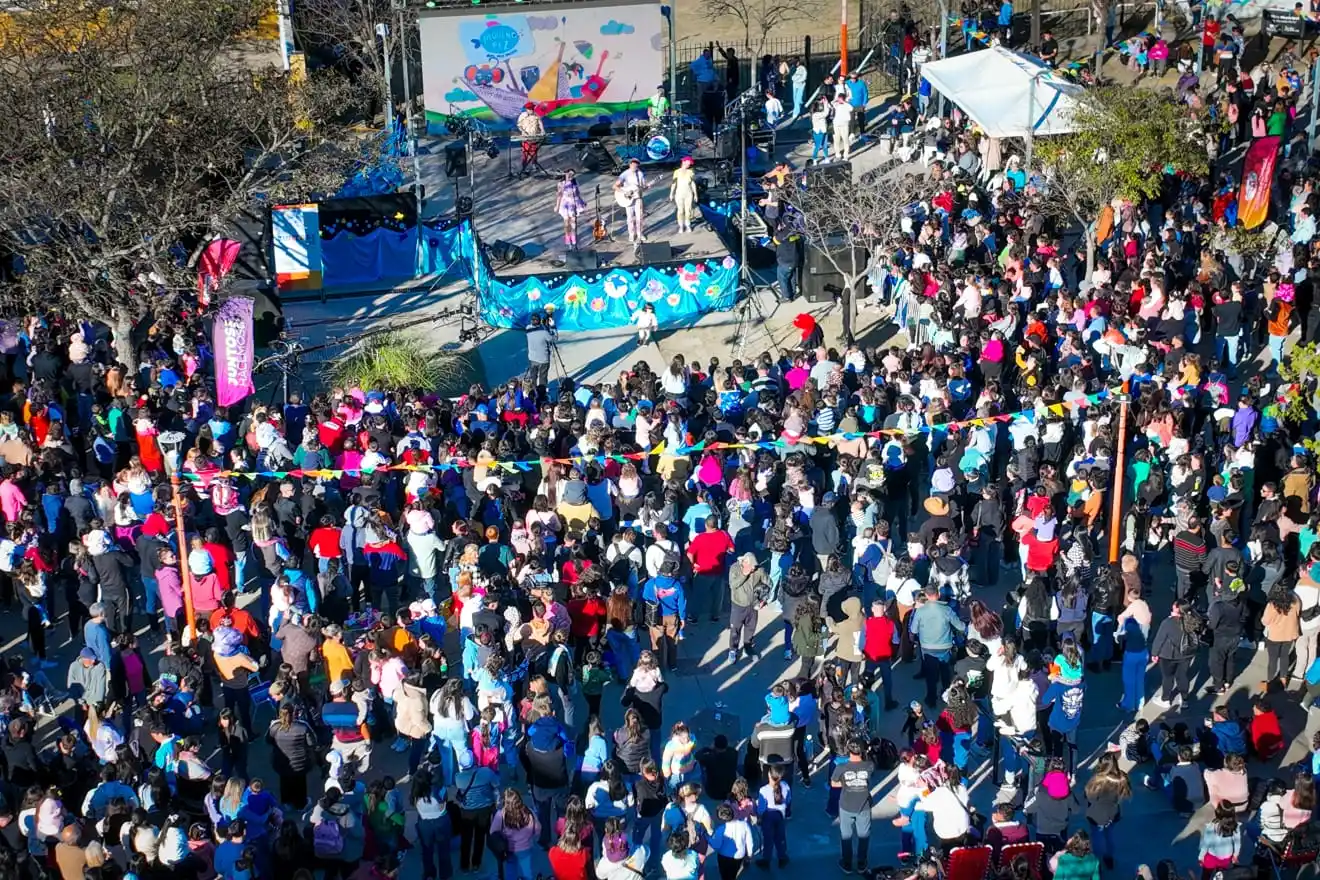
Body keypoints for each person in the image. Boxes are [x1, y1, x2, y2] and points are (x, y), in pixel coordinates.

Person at [831, 738, 874, 874]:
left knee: (846, 835)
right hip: (864, 805)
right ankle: (862, 864)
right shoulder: (869, 766)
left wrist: (847, 784)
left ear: (848, 750)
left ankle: (847, 863)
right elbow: (867, 780)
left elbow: (834, 783)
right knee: (863, 835)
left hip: (846, 805)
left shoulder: (841, 767)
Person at [615, 158, 648, 244]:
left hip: (638, 198)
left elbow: (643, 186)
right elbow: (615, 186)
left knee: (639, 217)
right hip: (628, 198)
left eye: (636, 164)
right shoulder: (624, 174)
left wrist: (646, 187)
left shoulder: (640, 174)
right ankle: (631, 234)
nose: (634, 166)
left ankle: (640, 233)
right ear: (630, 164)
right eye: (633, 164)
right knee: (630, 217)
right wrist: (625, 192)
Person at [554, 170, 588, 251]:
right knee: (567, 224)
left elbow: (578, 193)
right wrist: (557, 206)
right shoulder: (561, 184)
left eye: (572, 175)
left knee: (574, 224)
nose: (570, 176)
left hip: (574, 205)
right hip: (565, 205)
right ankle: (568, 241)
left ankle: (574, 242)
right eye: (569, 174)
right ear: (565, 174)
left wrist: (582, 202)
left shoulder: (575, 182)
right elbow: (559, 196)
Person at [524, 313, 557, 392]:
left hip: (532, 359)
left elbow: (537, 329)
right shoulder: (544, 333)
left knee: (533, 376)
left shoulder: (527, 329)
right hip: (543, 360)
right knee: (543, 377)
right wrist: (553, 327)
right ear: (539, 321)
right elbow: (554, 338)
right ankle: (542, 393)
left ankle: (533, 392)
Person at [516, 102, 547, 177]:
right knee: (526, 153)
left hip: (534, 137)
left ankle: (534, 165)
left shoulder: (536, 115)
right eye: (530, 109)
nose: (532, 110)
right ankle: (524, 168)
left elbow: (540, 123)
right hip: (526, 137)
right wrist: (523, 131)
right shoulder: (523, 116)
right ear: (527, 109)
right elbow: (519, 125)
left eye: (533, 109)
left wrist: (543, 130)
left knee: (534, 153)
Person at [669, 156, 698, 234]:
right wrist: (671, 194)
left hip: (688, 194)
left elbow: (692, 183)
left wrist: (695, 194)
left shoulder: (690, 172)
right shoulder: (677, 172)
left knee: (688, 211)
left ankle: (688, 225)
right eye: (689, 163)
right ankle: (681, 226)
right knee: (680, 211)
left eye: (690, 164)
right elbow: (674, 183)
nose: (689, 165)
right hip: (679, 194)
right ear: (684, 162)